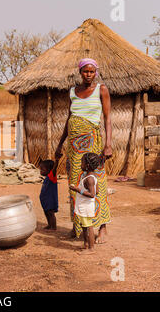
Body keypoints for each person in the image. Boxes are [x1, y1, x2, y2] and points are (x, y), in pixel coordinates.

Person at [55, 58, 112, 243]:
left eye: (92, 71)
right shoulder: (72, 91)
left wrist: (108, 144)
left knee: (97, 182)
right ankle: (77, 225)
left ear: (95, 72)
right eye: (85, 71)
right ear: (80, 72)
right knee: (74, 184)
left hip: (93, 144)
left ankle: (102, 226)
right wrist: (60, 143)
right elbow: (69, 119)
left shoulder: (101, 89)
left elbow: (107, 119)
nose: (88, 74)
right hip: (73, 147)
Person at [69, 153, 101, 254]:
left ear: (87, 165)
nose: (80, 164)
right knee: (84, 225)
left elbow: (92, 194)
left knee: (89, 227)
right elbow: (97, 191)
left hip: (86, 206)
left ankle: (91, 248)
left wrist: (78, 190)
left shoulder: (89, 179)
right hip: (84, 206)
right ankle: (86, 244)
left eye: (82, 162)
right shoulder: (92, 176)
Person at [38, 158, 60, 231]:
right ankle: (49, 225)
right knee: (46, 212)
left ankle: (53, 227)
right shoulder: (47, 177)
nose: (40, 171)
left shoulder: (51, 176)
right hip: (46, 200)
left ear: (49, 170)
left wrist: (57, 160)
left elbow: (55, 168)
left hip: (50, 200)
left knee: (50, 213)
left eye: (42, 169)